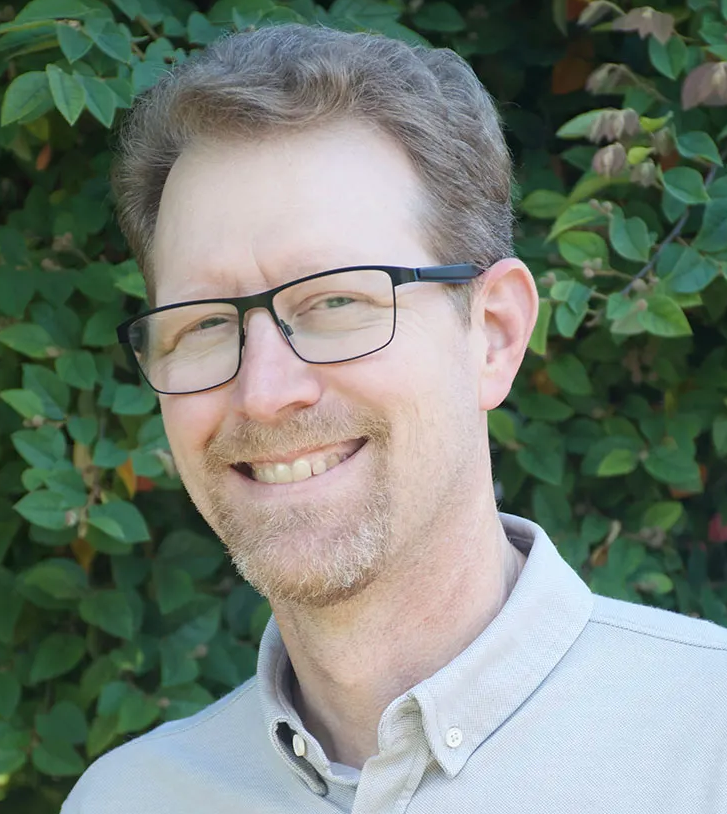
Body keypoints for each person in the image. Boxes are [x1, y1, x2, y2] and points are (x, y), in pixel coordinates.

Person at [62, 23, 727, 814]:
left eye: (336, 301)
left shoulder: (706, 745)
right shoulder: (127, 801)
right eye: (203, 323)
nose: (265, 392)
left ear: (494, 335)